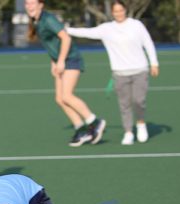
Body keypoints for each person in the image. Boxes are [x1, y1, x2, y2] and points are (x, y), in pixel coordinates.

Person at [67, 0, 159, 145]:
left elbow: (148, 43)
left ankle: (141, 124)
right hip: (120, 73)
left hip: (140, 70)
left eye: (121, 10)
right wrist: (65, 30)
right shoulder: (107, 29)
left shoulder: (136, 25)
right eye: (115, 11)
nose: (118, 14)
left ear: (125, 10)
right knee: (124, 104)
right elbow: (86, 32)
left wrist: (154, 63)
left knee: (138, 101)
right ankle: (128, 132)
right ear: (112, 13)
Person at [25, 0, 106, 147]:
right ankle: (81, 129)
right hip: (60, 61)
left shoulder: (48, 19)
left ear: (40, 5)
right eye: (27, 3)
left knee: (67, 96)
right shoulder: (35, 22)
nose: (29, 6)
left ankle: (95, 122)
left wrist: (61, 60)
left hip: (70, 59)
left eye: (32, 3)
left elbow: (66, 38)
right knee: (60, 99)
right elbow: (51, 44)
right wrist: (53, 62)